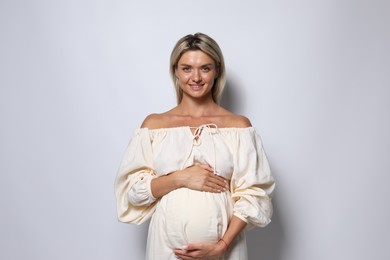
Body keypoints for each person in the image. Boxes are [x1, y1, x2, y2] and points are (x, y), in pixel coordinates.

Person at [115, 32, 275, 260]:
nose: (196, 77)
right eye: (187, 68)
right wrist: (181, 178)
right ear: (176, 72)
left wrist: (222, 246)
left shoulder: (239, 127)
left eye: (205, 68)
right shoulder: (154, 126)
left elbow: (254, 194)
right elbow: (133, 193)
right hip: (166, 249)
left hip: (223, 252)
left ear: (217, 70)